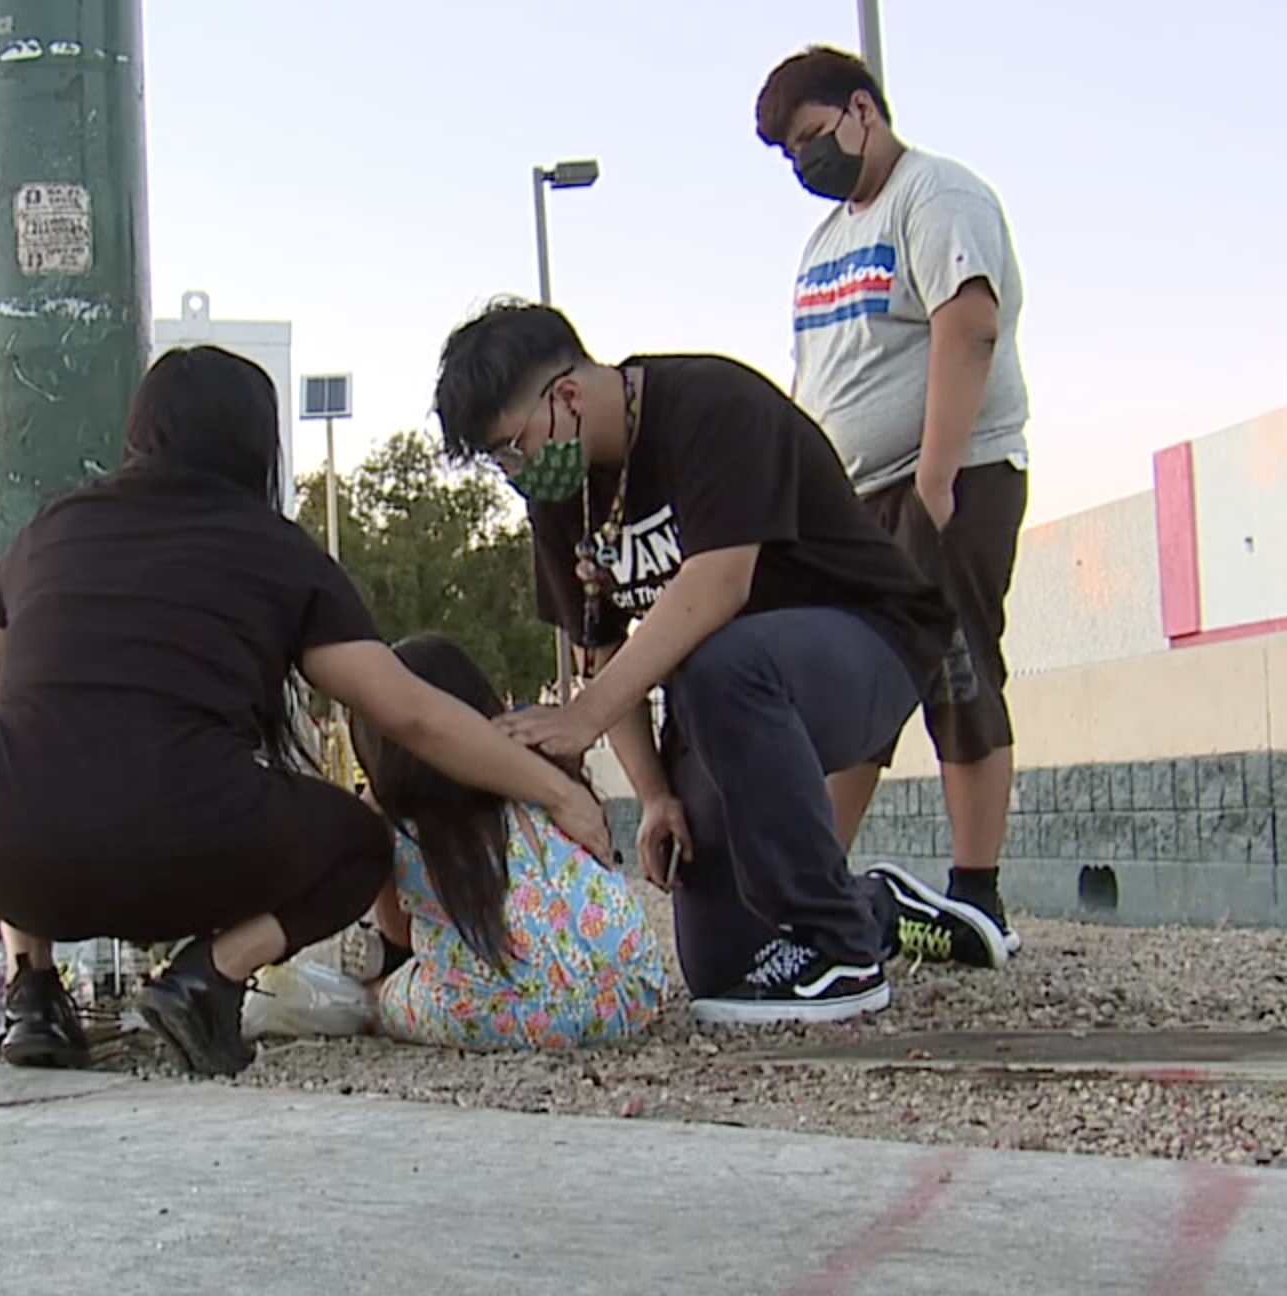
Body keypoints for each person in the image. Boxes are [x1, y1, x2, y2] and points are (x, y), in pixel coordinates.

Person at [0, 345, 610, 1076]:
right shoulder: (274, 551)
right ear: (260, 443)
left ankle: (33, 996)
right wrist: (558, 790)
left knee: (18, 764)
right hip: (176, 849)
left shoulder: (50, 530)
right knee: (356, 847)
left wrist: (78, 710)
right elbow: (409, 713)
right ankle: (207, 976)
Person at [432, 300, 1011, 1027]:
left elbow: (718, 584)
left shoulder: (711, 406)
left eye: (511, 447)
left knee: (719, 660)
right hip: (730, 699)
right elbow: (602, 643)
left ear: (568, 397)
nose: (514, 471)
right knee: (723, 969)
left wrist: (581, 717)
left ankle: (844, 949)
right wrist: (653, 795)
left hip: (869, 646)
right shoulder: (565, 492)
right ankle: (876, 908)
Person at [756, 47, 1030, 956]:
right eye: (789, 151)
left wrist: (936, 482)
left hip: (945, 481)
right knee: (846, 691)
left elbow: (968, 326)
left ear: (861, 112)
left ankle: (977, 895)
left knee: (955, 673)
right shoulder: (826, 240)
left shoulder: (936, 196)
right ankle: (812, 893)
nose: (806, 161)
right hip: (848, 504)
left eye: (811, 136)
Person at [350, 633, 666, 1050]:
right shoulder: (539, 773)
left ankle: (376, 1003)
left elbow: (399, 933)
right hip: (632, 989)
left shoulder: (395, 823)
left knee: (381, 996)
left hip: (515, 1015)